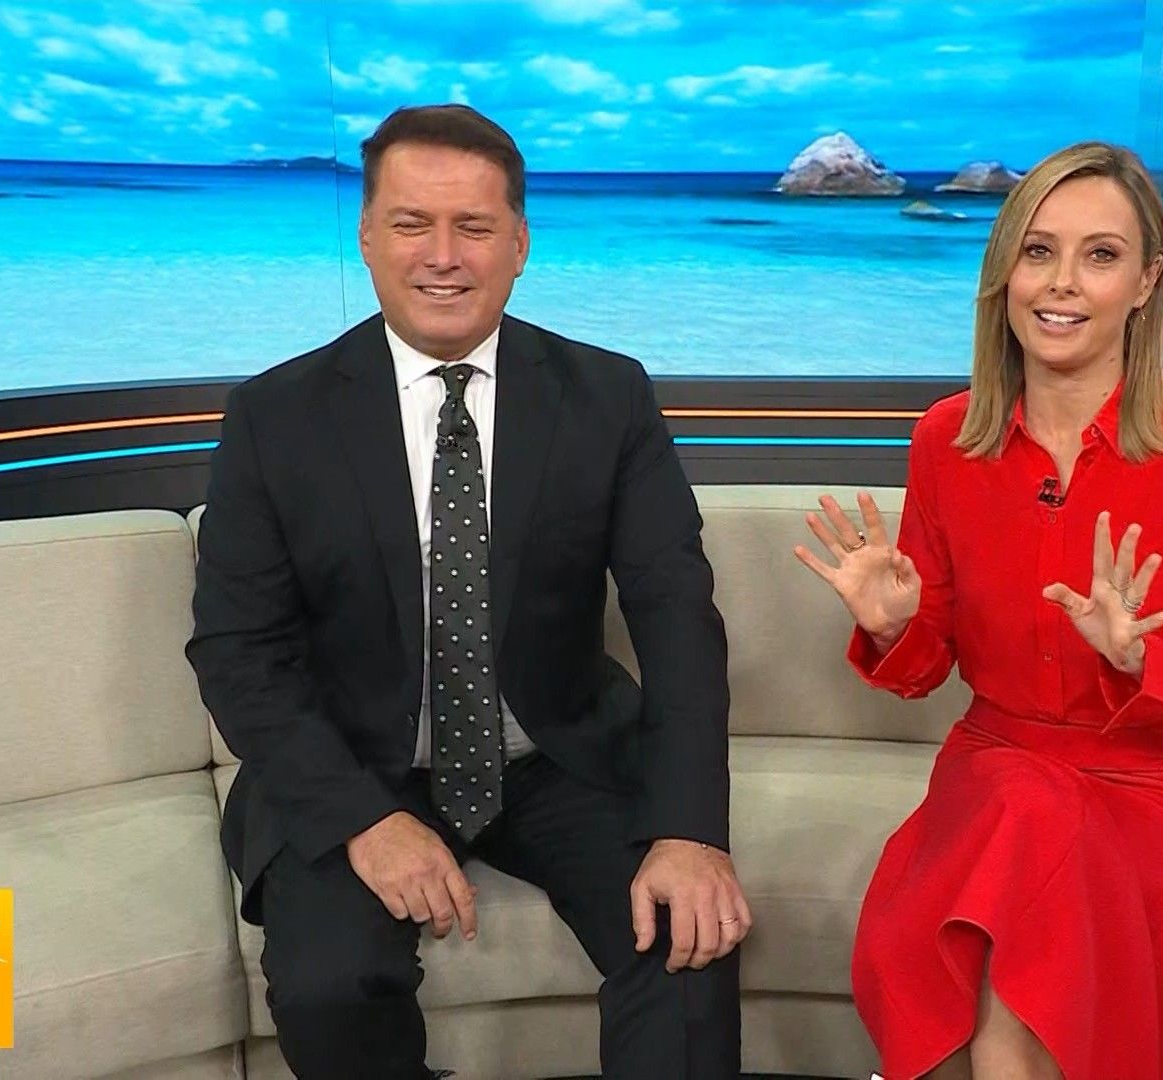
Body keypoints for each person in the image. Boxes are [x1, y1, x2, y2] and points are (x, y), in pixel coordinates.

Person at [187, 103, 746, 1080]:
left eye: (474, 227)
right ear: (367, 237)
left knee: (688, 944)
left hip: (558, 754)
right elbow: (239, 653)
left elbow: (676, 619)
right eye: (412, 224)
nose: (442, 257)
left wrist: (692, 830)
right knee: (329, 985)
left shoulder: (607, 396)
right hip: (354, 764)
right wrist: (363, 822)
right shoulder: (275, 416)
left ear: (519, 244)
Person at [794, 142, 1163, 1080]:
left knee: (1012, 918)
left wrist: (1146, 663)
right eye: (1038, 251)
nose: (1062, 283)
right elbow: (927, 669)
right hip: (998, 764)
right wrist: (894, 625)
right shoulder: (949, 440)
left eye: (1100, 255)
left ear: (1146, 281)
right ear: (1006, 275)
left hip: (1157, 788)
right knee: (1025, 818)